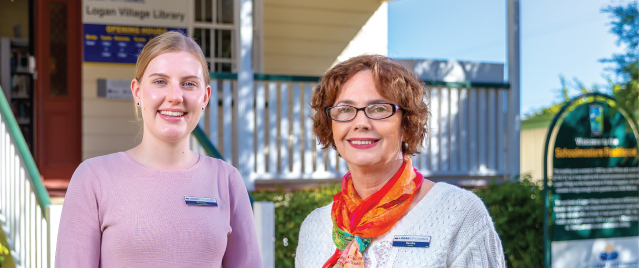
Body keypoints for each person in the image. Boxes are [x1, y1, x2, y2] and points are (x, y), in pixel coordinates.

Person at [54, 31, 262, 267]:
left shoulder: (227, 181)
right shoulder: (93, 178)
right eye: (160, 81)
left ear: (205, 97)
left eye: (189, 84)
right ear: (137, 92)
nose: (175, 96)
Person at [294, 55, 505, 268]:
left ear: (407, 124)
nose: (361, 123)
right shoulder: (314, 228)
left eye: (379, 109)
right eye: (345, 109)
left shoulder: (459, 214)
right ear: (330, 126)